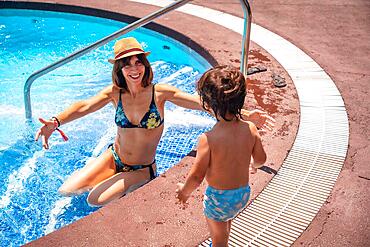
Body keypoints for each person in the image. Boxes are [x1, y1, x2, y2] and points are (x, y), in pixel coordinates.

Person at [35, 37, 273, 207]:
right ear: (120, 68)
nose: (134, 68)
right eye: (127, 64)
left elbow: (202, 103)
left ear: (145, 65)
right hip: (114, 157)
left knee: (94, 200)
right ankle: (110, 177)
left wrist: (245, 114)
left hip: (142, 169)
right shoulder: (114, 94)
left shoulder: (159, 93)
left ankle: (132, 184)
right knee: (66, 191)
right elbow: (84, 106)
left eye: (138, 62)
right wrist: (56, 122)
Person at [175, 65, 267, 247]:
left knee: (218, 239)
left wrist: (183, 192)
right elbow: (260, 160)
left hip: (219, 199)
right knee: (226, 222)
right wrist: (253, 166)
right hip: (242, 196)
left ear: (208, 105)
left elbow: (196, 176)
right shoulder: (250, 128)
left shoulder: (208, 139)